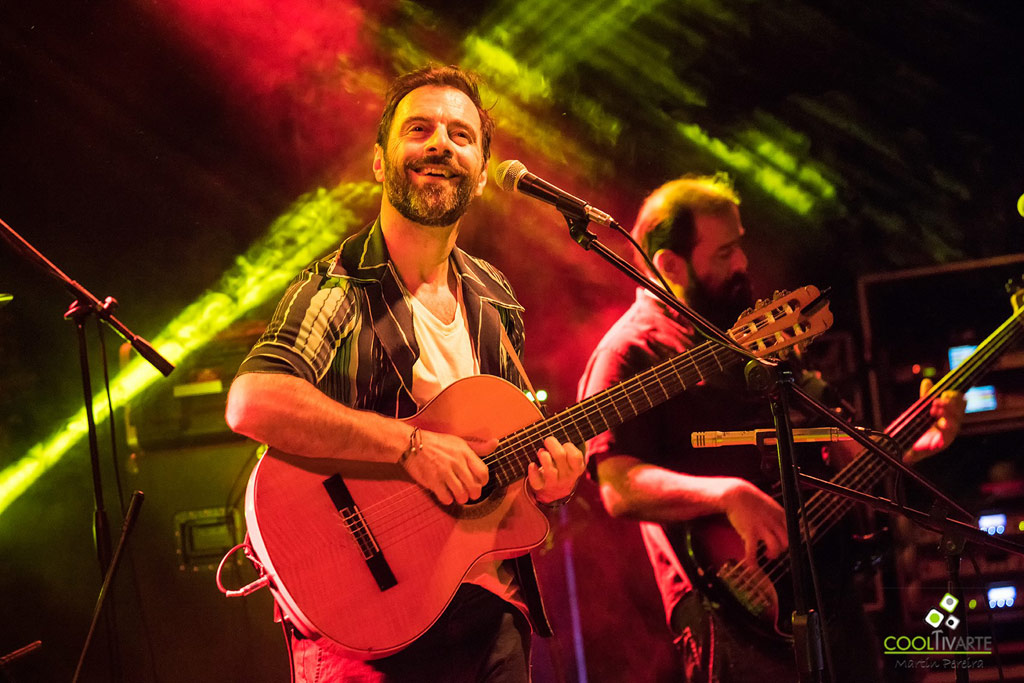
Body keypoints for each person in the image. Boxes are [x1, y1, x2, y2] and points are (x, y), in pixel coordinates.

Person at [226, 64, 586, 683]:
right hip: (367, 631)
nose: (441, 144)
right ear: (379, 162)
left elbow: (501, 461)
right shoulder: (340, 286)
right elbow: (252, 401)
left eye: (461, 135)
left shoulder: (496, 299)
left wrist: (553, 480)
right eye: (419, 129)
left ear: (480, 176)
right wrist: (411, 446)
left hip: (491, 618)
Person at [577, 174, 965, 682]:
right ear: (669, 265)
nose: (742, 263)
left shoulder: (753, 332)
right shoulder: (628, 352)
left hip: (824, 587)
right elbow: (618, 485)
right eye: (725, 253)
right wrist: (727, 495)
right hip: (730, 607)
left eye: (740, 246)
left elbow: (837, 444)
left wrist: (913, 445)